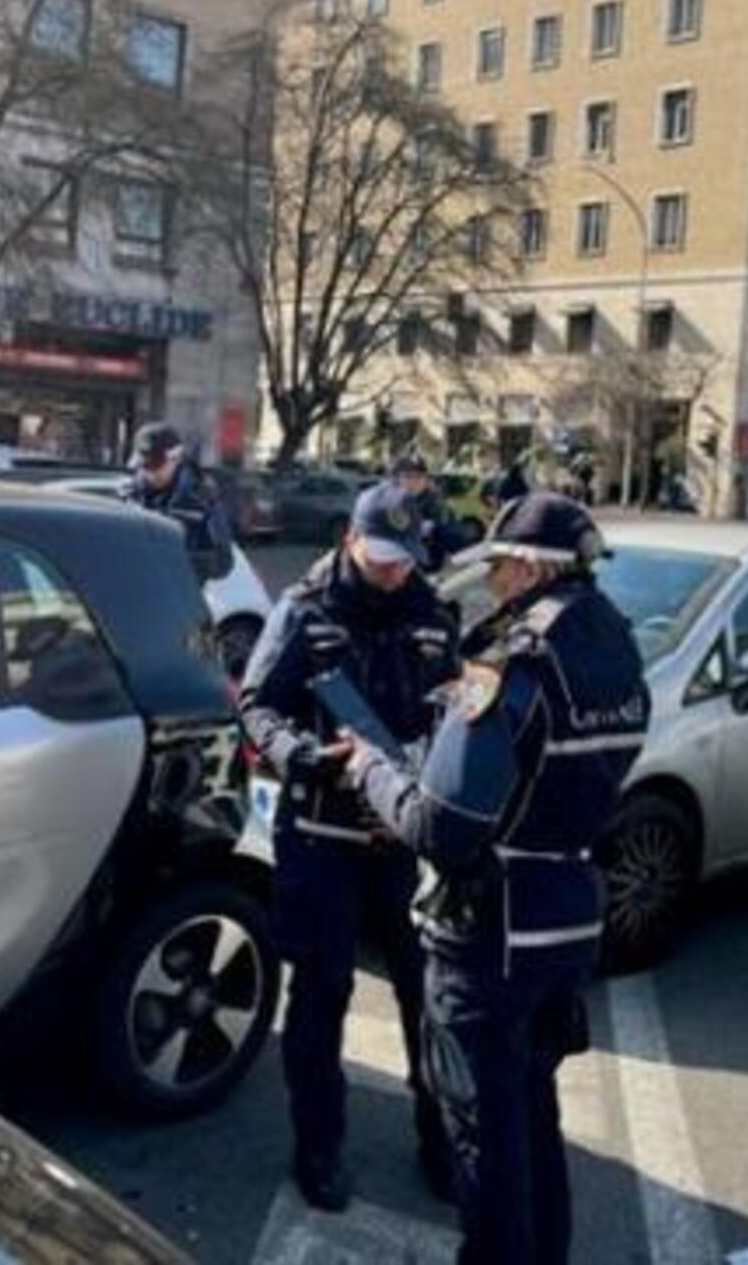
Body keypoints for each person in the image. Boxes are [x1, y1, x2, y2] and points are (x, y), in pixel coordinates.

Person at [345, 493, 651, 1263]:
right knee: (534, 1120)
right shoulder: (616, 646)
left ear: (524, 569)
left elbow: (444, 830)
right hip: (569, 919)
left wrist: (372, 770)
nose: (497, 582)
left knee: (484, 1140)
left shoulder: (511, 664)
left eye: (502, 567)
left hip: (490, 935)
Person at [238, 484, 461, 1213]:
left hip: (402, 839)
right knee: (322, 995)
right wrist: (302, 755)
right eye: (385, 559)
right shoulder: (305, 609)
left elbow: (451, 700)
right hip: (321, 837)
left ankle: (441, 1140)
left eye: (407, 560)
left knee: (426, 997)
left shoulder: (430, 609)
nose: (396, 573)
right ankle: (319, 1149)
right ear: (350, 541)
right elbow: (257, 704)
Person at [120, 423, 230, 568]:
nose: (149, 473)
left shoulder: (202, 499)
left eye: (155, 465)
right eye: (143, 465)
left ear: (176, 458)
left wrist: (175, 558)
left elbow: (223, 561)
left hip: (177, 588)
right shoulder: (126, 495)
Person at [394, 453, 467, 574]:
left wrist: (436, 529)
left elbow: (458, 542)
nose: (413, 482)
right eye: (408, 477)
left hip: (425, 572)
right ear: (398, 479)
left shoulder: (437, 504)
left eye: (419, 477)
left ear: (426, 480)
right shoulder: (388, 503)